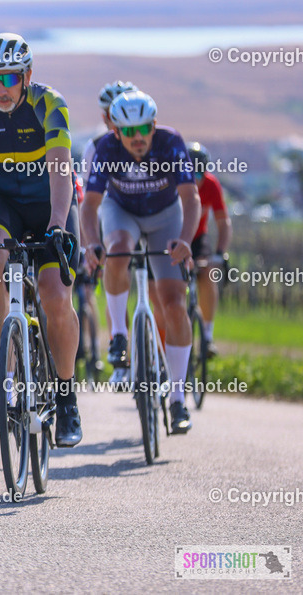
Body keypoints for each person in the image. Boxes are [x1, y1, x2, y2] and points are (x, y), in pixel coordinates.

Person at [0, 32, 83, 447]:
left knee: (56, 298)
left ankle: (65, 398)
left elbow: (61, 170)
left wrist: (59, 224)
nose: (1, 89)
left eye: (9, 79)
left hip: (50, 205)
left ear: (27, 75)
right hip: (3, 201)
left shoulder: (50, 104)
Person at [82, 91, 201, 433]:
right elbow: (90, 207)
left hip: (166, 217)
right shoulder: (105, 149)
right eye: (129, 130)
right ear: (116, 131)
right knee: (117, 247)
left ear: (154, 125)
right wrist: (92, 244)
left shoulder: (171, 142)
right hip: (122, 213)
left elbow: (190, 198)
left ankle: (178, 399)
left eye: (144, 128)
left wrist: (186, 242)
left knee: (175, 304)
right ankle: (119, 335)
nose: (138, 138)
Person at [187, 142, 231, 355]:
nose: (196, 178)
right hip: (173, 236)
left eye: (200, 172)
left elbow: (223, 223)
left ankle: (207, 335)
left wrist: (220, 252)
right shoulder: (172, 183)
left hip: (198, 238)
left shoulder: (211, 185)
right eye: (191, 172)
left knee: (208, 274)